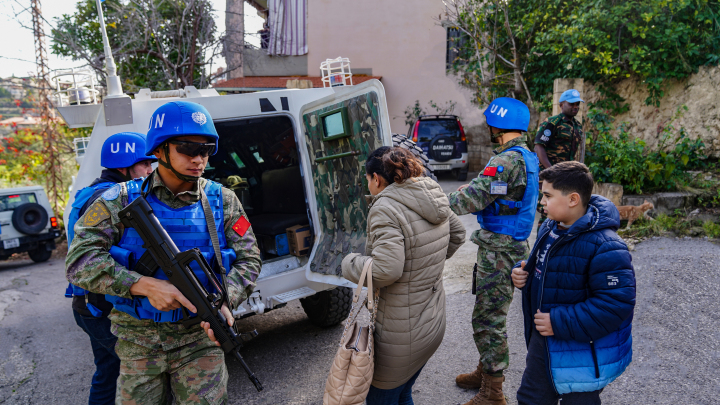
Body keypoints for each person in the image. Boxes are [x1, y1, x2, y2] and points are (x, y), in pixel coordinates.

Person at [66, 100, 262, 404]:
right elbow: (79, 261)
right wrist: (143, 285)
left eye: (206, 149)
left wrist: (226, 298)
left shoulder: (222, 200)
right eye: (187, 148)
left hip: (201, 337)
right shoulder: (117, 199)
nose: (199, 159)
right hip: (138, 340)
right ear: (158, 150)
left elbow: (249, 259)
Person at [341, 147, 466, 405]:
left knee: (380, 399)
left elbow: (388, 270)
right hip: (432, 323)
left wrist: (348, 263)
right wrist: (424, 269)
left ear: (376, 178)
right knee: (403, 393)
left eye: (367, 179)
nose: (368, 184)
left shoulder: (385, 207)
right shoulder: (430, 192)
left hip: (401, 334)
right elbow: (458, 234)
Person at [511, 162, 635, 405]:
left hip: (583, 354)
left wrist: (557, 321)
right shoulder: (549, 227)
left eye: (547, 195)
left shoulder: (607, 246)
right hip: (543, 344)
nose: (542, 202)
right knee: (529, 399)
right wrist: (521, 272)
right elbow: (544, 266)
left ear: (573, 199)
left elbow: (615, 304)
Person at [447, 97, 539, 405]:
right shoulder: (527, 156)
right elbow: (489, 193)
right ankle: (486, 371)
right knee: (492, 313)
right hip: (511, 246)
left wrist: (430, 199)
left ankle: (493, 392)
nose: (487, 126)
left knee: (488, 319)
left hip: (499, 251)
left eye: (490, 122)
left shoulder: (504, 162)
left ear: (498, 125)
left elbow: (467, 200)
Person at [64, 131, 156, 405]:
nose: (150, 170)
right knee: (147, 373)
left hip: (89, 304)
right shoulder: (108, 200)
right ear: (123, 166)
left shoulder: (91, 192)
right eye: (145, 164)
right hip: (101, 307)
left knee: (108, 371)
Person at [534, 89, 585, 169]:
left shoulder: (577, 126)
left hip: (567, 173)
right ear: (561, 105)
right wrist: (551, 170)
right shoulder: (551, 123)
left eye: (577, 104)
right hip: (548, 174)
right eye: (571, 104)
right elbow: (539, 147)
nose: (575, 107)